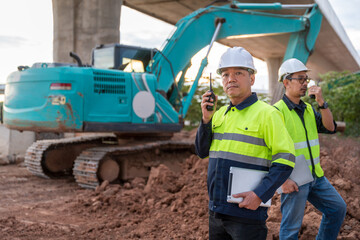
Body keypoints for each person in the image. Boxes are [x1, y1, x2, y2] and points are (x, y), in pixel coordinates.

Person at [195, 47, 296, 240]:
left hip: (247, 214)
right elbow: (201, 152)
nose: (230, 79)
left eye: (238, 73)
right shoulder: (219, 114)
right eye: (225, 74)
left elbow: (286, 160)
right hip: (216, 211)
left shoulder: (267, 114)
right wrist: (206, 120)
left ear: (251, 79)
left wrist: (259, 195)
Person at [274, 58, 347, 240]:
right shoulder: (276, 112)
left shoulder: (308, 109)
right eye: (300, 79)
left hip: (316, 175)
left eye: (306, 79)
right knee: (290, 229)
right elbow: (267, 150)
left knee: (337, 209)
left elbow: (330, 128)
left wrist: (321, 103)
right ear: (286, 82)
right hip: (294, 177)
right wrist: (281, 181)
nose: (305, 83)